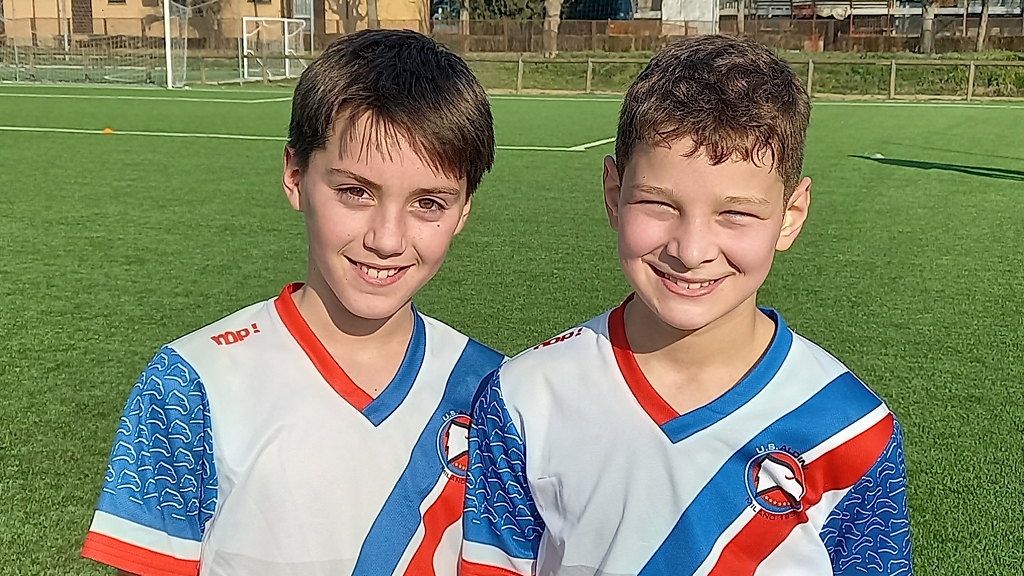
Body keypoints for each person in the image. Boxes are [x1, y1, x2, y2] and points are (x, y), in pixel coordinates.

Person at [461, 35, 912, 576]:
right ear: (613, 195)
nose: (691, 250)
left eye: (736, 213)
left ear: (791, 215)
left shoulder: (850, 428)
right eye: (658, 204)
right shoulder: (525, 396)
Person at [82, 29, 503, 576]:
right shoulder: (194, 380)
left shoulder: (497, 392)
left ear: (463, 210)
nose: (387, 239)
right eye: (355, 192)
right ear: (295, 176)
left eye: (428, 203)